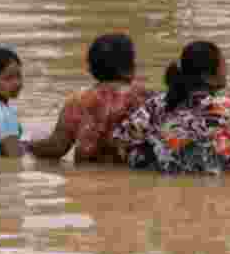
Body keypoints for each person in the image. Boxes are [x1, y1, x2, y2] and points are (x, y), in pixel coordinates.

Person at [111, 41, 230, 175]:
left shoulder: (157, 104)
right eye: (223, 65)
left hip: (168, 193)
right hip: (219, 195)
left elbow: (121, 139)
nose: (226, 70)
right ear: (208, 76)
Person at [28, 33, 152, 164]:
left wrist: (29, 146)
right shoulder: (146, 99)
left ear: (91, 68)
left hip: (87, 178)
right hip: (130, 173)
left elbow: (56, 147)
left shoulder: (78, 101)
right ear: (131, 67)